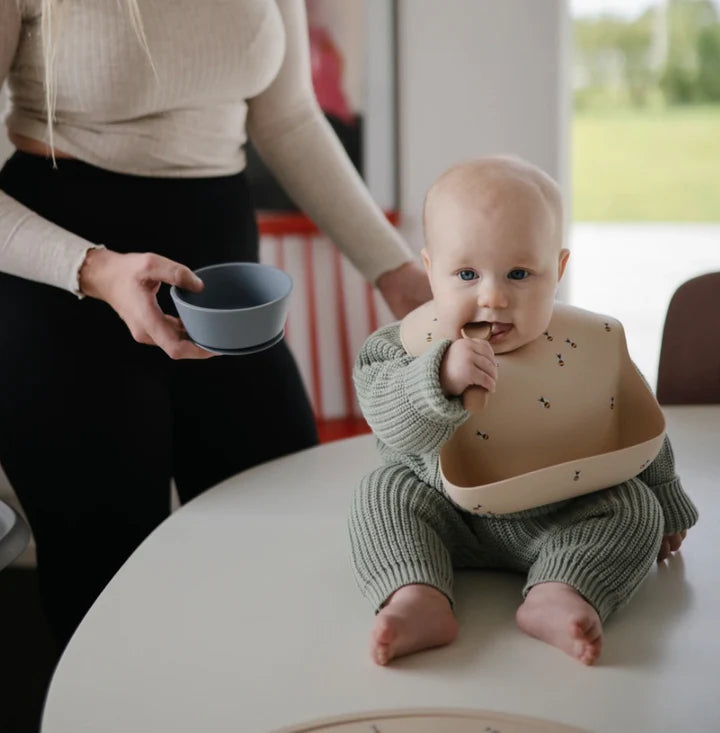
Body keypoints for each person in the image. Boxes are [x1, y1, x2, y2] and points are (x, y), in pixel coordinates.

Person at [0, 0, 430, 653]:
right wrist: (95, 270)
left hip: (223, 286)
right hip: (67, 295)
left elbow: (287, 117)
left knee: (284, 556)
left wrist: (396, 271)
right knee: (107, 590)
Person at [349, 155, 699, 667]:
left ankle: (563, 592)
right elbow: (385, 415)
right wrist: (437, 379)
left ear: (556, 270)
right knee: (381, 495)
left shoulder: (591, 342)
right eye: (466, 274)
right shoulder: (406, 346)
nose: (493, 296)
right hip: (444, 512)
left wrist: (666, 495)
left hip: (566, 510)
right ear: (430, 270)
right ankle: (415, 595)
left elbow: (631, 417)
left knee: (632, 510)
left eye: (518, 273)